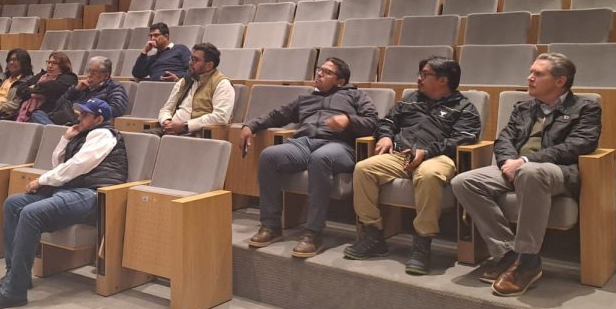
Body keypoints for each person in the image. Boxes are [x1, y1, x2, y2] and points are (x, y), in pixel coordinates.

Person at [451, 53, 601, 297]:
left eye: (538, 74)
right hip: (515, 168)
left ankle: (528, 261)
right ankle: (509, 253)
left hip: (556, 171)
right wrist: (508, 163)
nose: (530, 77)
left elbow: (579, 144)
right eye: (531, 72)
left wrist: (525, 161)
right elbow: (504, 139)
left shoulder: (585, 108)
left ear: (560, 81)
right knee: (463, 182)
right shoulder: (524, 107)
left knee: (530, 172)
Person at [0, 98, 128, 309]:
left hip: (93, 194)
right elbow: (59, 165)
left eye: (85, 114)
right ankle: (15, 275)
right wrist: (65, 139)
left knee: (30, 213)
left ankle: (14, 291)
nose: (79, 117)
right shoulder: (83, 135)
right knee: (13, 204)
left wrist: (42, 181)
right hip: (72, 190)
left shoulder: (103, 134)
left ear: (99, 119)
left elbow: (77, 166)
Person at [344, 57, 482, 275]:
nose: (419, 78)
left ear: (443, 80)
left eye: (425, 75)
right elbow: (387, 121)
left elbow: (463, 139)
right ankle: (373, 235)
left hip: (438, 157)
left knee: (428, 175)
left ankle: (422, 243)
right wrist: (386, 136)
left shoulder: (464, 108)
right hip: (401, 155)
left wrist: (427, 152)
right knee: (364, 168)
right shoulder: (410, 100)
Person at [243, 58, 379, 258]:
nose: (319, 74)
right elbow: (277, 115)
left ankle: (313, 233)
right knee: (269, 156)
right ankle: (271, 225)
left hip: (339, 145)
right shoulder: (306, 99)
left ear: (340, 81)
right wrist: (251, 125)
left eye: (327, 72)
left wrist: (348, 120)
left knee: (320, 158)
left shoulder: (356, 96)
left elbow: (373, 122)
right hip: (304, 143)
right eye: (319, 70)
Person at [146, 43, 234, 136]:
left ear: (209, 65)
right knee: (141, 138)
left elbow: (221, 116)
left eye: (195, 60)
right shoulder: (184, 81)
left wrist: (186, 126)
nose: (190, 63)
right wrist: (167, 122)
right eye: (191, 58)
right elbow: (166, 109)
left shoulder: (222, 84)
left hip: (196, 133)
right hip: (170, 130)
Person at [47, 55, 129, 124]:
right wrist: (75, 90)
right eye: (88, 71)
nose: (89, 75)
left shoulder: (114, 87)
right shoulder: (82, 87)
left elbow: (116, 109)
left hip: (87, 124)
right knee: (40, 114)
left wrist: (86, 113)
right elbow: (57, 106)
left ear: (106, 76)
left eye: (94, 72)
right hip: (66, 119)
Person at [17, 52, 78, 123]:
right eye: (49, 62)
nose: (50, 66)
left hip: (49, 113)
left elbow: (50, 87)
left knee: (36, 114)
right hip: (28, 112)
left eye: (54, 63)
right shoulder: (42, 75)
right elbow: (20, 89)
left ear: (63, 66)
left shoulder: (69, 77)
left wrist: (35, 87)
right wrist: (33, 93)